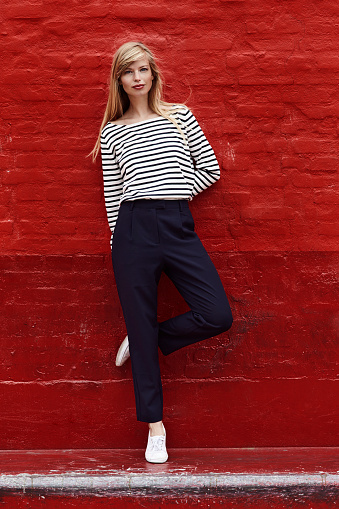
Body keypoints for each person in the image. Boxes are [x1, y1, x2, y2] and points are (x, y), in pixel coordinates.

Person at [91, 41, 233, 464]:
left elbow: (211, 170)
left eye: (142, 69)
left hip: (176, 225)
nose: (136, 77)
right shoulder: (112, 130)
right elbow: (112, 197)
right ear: (119, 80)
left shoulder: (179, 116)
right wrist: (120, 240)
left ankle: (145, 339)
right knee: (139, 317)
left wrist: (170, 191)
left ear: (153, 73)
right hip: (132, 232)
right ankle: (156, 428)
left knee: (217, 314)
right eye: (127, 71)